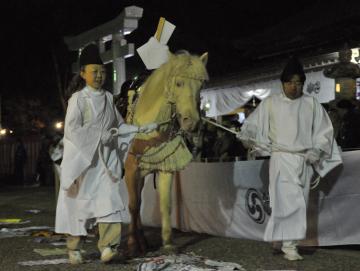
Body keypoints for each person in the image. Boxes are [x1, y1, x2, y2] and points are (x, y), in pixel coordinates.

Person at [55, 44, 157, 265]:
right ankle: (74, 247)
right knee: (79, 205)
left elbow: (117, 127)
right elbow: (72, 129)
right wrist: (98, 136)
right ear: (83, 74)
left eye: (102, 71)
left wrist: (140, 128)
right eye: (94, 71)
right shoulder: (78, 100)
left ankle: (109, 247)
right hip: (83, 163)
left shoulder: (110, 98)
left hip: (104, 163)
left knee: (109, 201)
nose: (99, 75)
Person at [238, 57, 342, 261]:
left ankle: (287, 241)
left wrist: (317, 151)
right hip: (281, 159)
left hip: (304, 159)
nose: (294, 87)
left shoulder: (311, 103)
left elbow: (324, 132)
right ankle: (289, 245)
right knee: (287, 201)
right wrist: (247, 136)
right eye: (290, 82)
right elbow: (251, 125)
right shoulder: (270, 103)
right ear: (282, 83)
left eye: (298, 83)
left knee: (299, 202)